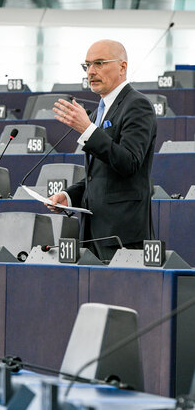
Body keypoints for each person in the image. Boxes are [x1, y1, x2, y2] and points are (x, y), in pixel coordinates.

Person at [47, 39, 157, 262]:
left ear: (122, 67)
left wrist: (87, 129)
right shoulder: (102, 109)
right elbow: (99, 175)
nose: (91, 72)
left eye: (99, 63)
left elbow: (129, 163)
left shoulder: (137, 105)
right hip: (93, 233)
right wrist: (69, 196)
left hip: (122, 235)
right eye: (87, 65)